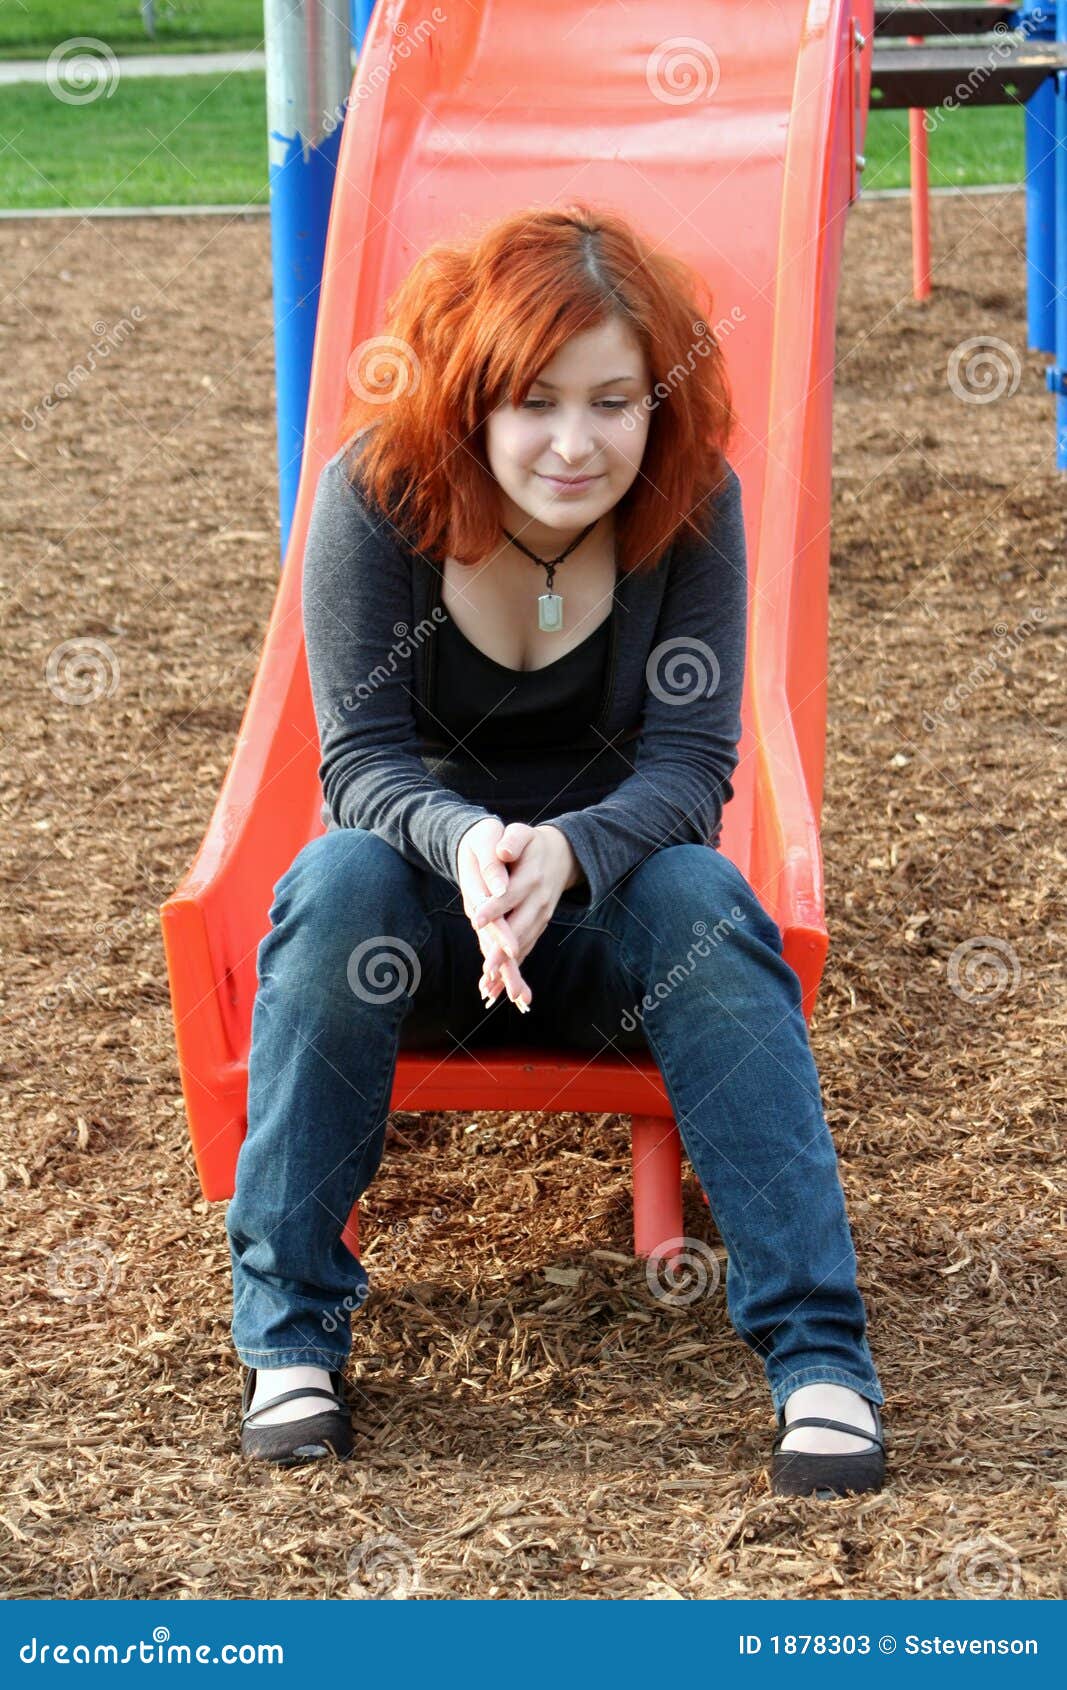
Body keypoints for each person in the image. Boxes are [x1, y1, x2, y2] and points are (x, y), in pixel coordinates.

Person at [226, 203, 887, 1495]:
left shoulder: (693, 506)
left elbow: (693, 772)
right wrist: (473, 844)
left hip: (610, 911)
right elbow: (358, 762)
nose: (576, 443)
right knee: (335, 880)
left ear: (658, 400)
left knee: (709, 897)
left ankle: (820, 1359)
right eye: (534, 400)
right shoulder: (377, 497)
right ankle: (290, 1340)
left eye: (614, 401)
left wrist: (567, 857)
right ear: (473, 395)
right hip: (416, 913)